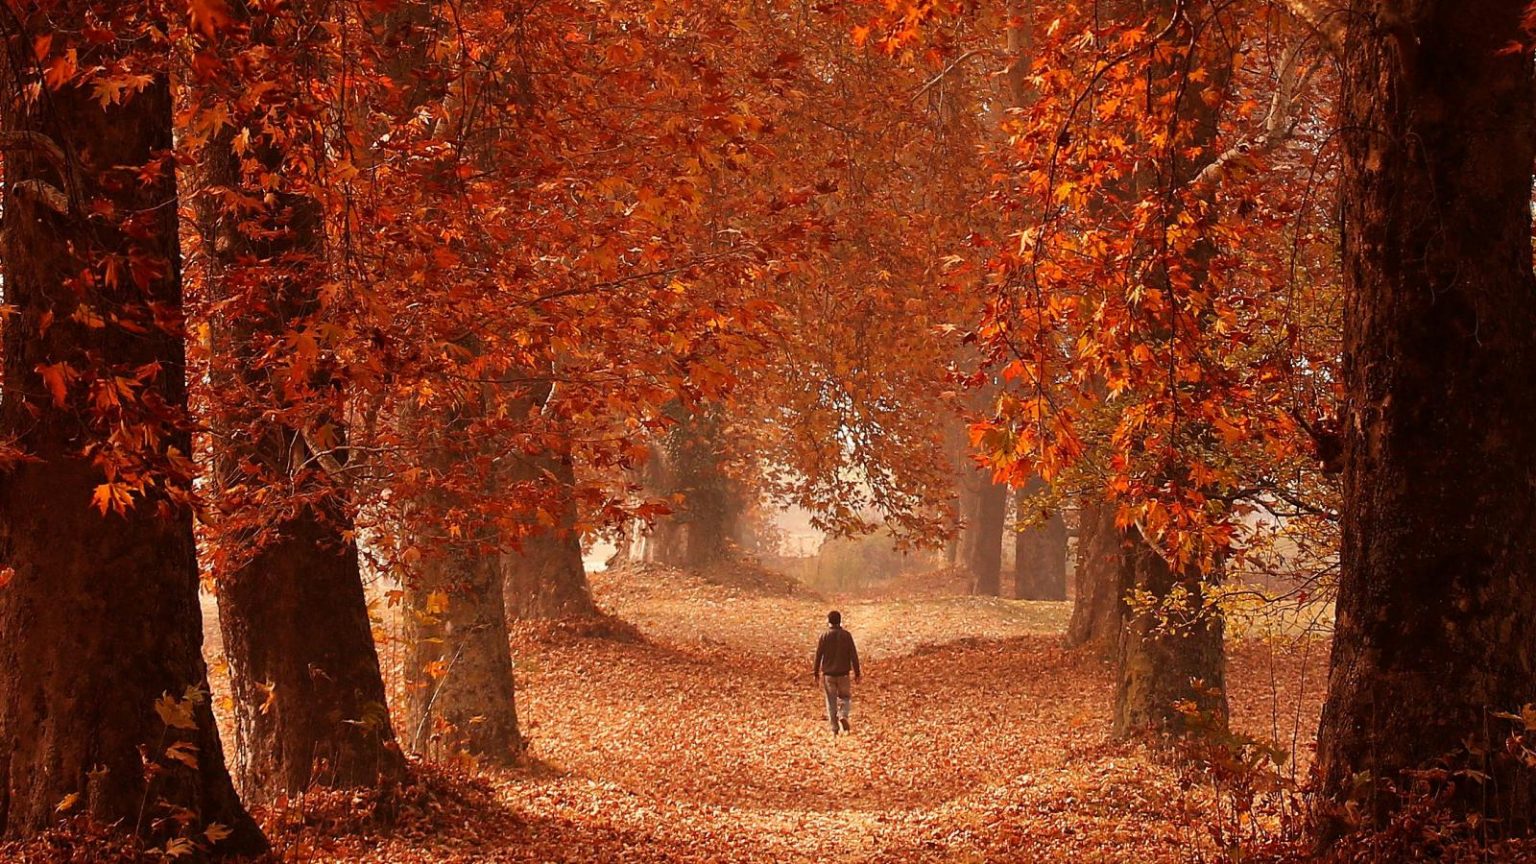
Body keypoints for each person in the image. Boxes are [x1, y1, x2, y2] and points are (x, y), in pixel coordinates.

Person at [813, 610, 861, 735]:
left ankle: (834, 729)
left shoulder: (824, 636)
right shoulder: (847, 635)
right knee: (845, 697)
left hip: (828, 675)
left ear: (828, 621)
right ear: (840, 621)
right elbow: (853, 655)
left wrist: (816, 672)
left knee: (831, 701)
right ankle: (843, 714)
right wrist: (857, 672)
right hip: (844, 674)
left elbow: (819, 655)